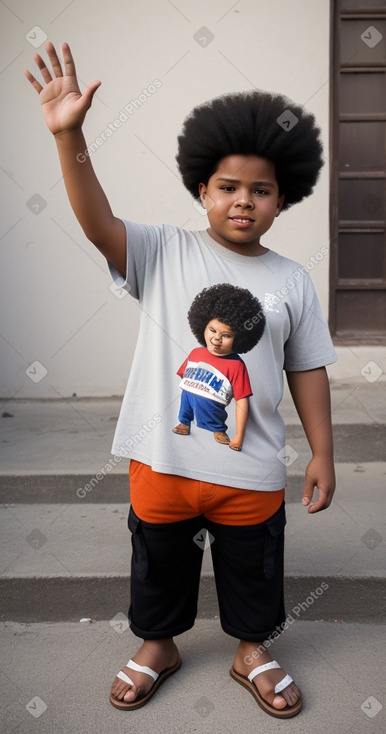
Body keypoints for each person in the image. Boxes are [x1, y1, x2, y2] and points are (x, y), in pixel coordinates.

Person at [25, 42, 337, 719]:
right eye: (228, 187)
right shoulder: (164, 251)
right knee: (157, 561)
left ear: (284, 196)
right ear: (202, 188)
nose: (243, 202)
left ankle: (251, 650)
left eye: (261, 190)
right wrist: (70, 136)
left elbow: (306, 365)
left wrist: (321, 451)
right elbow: (96, 221)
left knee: (253, 567)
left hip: (249, 468)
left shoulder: (290, 279)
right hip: (162, 460)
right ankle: (157, 644)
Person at [172, 283, 266, 451]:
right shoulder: (195, 353)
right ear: (202, 325)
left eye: (226, 335)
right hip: (188, 402)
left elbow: (242, 402)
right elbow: (183, 376)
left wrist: (239, 435)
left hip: (215, 411)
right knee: (187, 397)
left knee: (211, 411)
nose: (216, 339)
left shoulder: (236, 365)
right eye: (212, 330)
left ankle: (218, 430)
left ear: (239, 338)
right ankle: (184, 422)